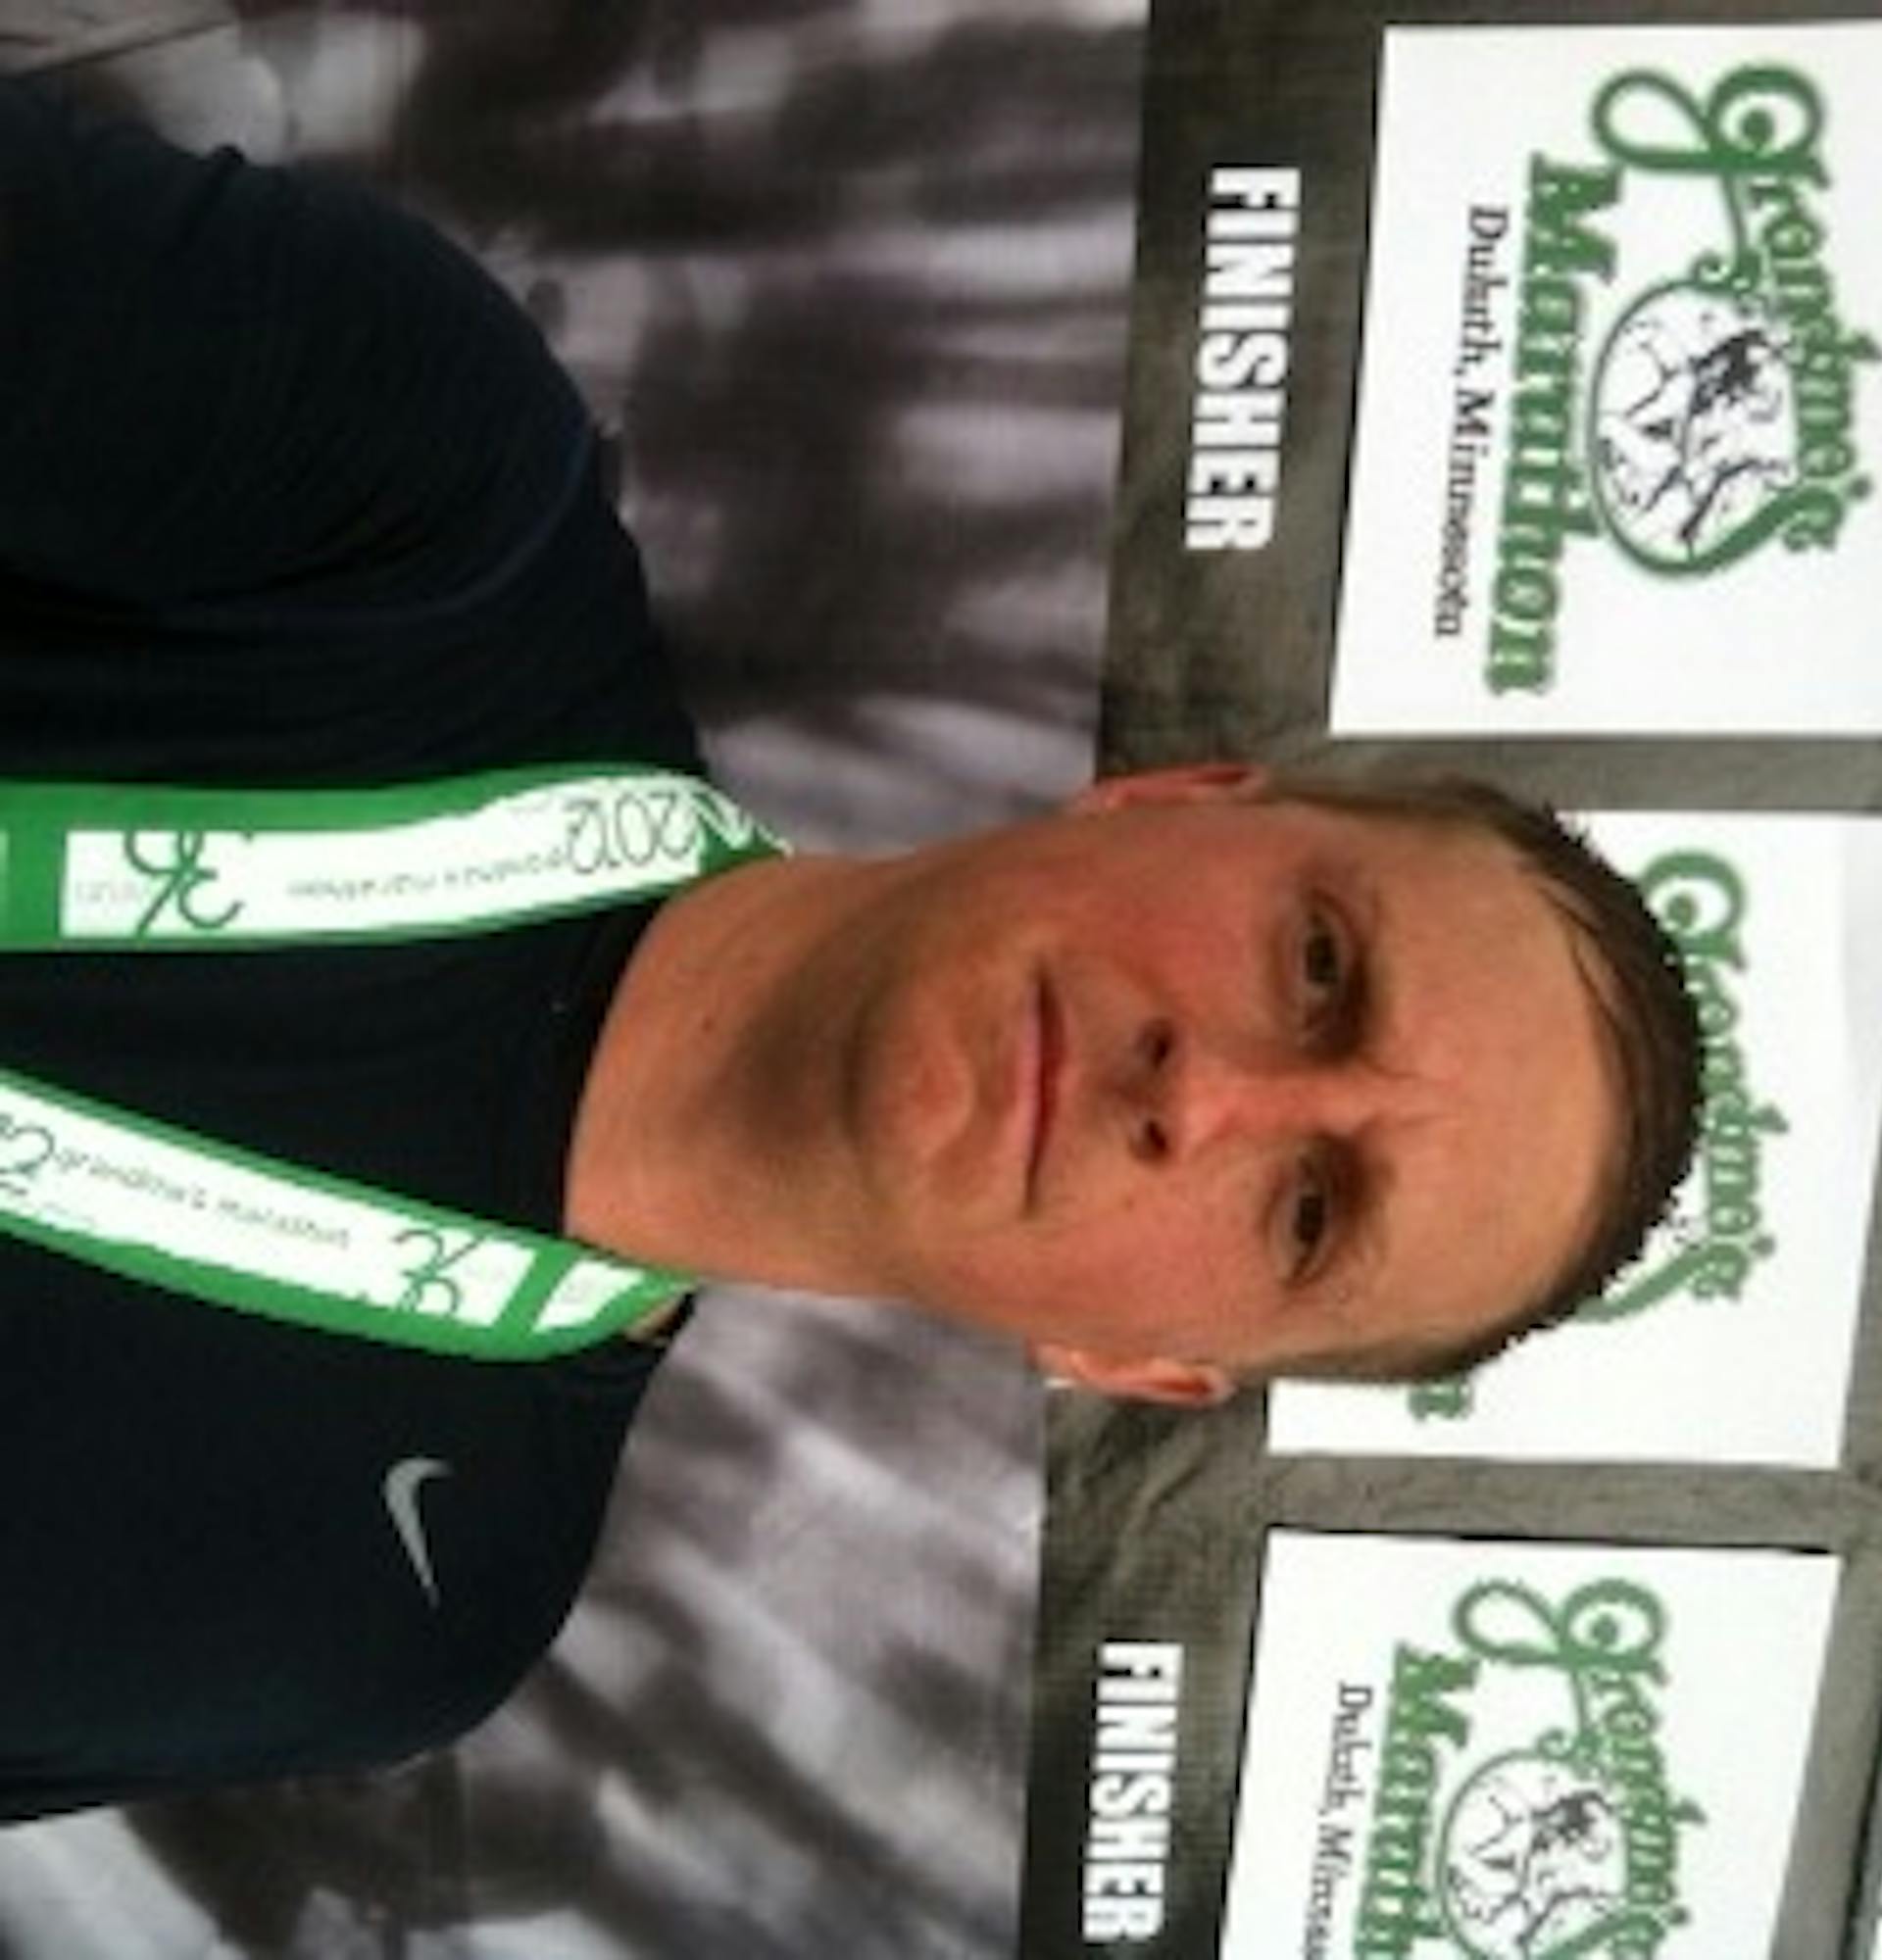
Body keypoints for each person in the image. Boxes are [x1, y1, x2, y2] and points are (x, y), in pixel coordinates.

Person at [0, 83, 1699, 1819]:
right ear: (1170, 797)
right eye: (1321, 968)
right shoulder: (429, 480)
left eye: (1310, 1213)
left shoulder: (390, 1627)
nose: (1211, 1096)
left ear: (1137, 1366)